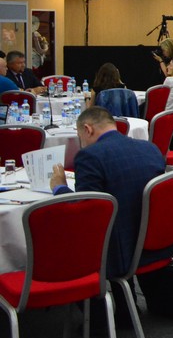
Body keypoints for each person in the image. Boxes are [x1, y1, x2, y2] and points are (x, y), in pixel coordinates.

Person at [49, 106, 166, 281]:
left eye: (81, 137)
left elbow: (83, 212)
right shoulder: (150, 148)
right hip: (158, 242)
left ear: (87, 129)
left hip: (117, 252)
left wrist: (59, 187)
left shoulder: (90, 156)